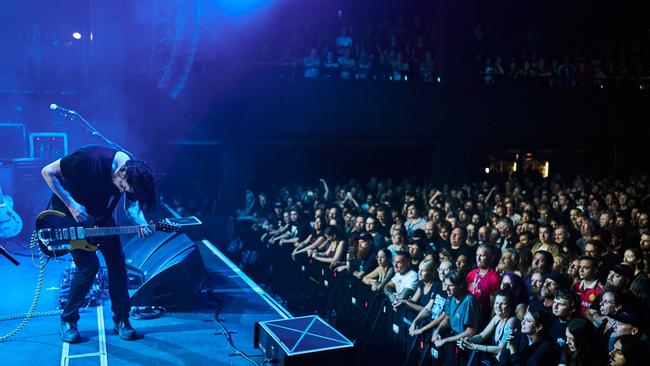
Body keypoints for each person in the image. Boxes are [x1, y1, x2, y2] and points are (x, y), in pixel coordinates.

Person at [42, 145, 156, 343]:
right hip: (70, 214)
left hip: (99, 215)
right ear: (121, 172)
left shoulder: (133, 175)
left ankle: (122, 319)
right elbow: (47, 172)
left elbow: (131, 209)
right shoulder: (87, 159)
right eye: (122, 186)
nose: (121, 191)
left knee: (117, 262)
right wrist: (72, 205)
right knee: (89, 266)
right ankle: (68, 320)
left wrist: (142, 223)